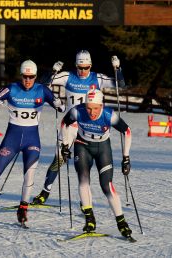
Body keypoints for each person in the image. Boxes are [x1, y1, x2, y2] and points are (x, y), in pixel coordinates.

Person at [0, 60, 65, 225]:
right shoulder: (11, 88)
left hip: (32, 141)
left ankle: (23, 209)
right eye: (25, 77)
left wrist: (58, 104)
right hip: (11, 140)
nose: (28, 80)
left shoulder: (42, 90)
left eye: (31, 77)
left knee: (29, 175)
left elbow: (62, 108)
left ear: (35, 77)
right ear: (21, 76)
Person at [32, 50, 127, 205]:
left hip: (89, 127)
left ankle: (86, 200)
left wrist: (118, 69)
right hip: (71, 125)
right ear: (76, 65)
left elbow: (120, 85)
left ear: (90, 66)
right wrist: (53, 71)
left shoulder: (98, 78)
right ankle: (45, 192)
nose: (83, 71)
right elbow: (43, 84)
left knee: (87, 163)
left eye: (86, 67)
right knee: (59, 159)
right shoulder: (68, 77)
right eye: (80, 68)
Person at [60, 88, 133, 239]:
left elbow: (127, 131)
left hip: (102, 148)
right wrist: (65, 145)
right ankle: (89, 219)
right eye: (88, 107)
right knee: (83, 180)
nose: (91, 112)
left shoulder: (109, 115)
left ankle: (121, 222)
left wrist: (126, 157)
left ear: (101, 105)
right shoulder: (77, 111)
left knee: (107, 185)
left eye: (95, 108)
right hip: (82, 145)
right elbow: (64, 123)